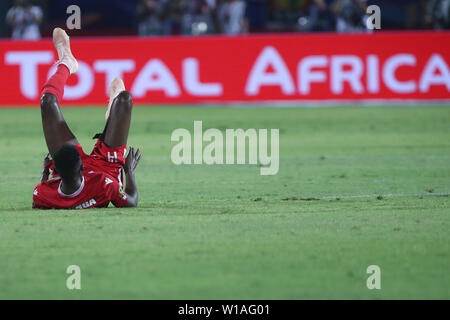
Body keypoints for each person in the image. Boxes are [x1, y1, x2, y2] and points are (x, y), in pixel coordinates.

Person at [32, 28, 141, 210]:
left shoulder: (42, 194)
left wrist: (45, 172)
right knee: (123, 97)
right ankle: (110, 118)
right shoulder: (105, 184)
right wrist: (128, 170)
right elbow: (131, 201)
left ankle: (67, 62)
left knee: (47, 101)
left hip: (69, 167)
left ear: (55, 169)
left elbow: (41, 192)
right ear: (81, 168)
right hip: (106, 168)